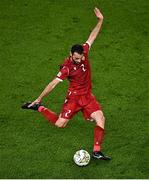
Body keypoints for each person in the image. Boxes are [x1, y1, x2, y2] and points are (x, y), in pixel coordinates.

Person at [22, 7, 111, 160]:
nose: (80, 60)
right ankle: (39, 107)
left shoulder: (83, 52)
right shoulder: (66, 68)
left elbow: (92, 36)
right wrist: (39, 98)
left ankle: (96, 151)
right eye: (76, 58)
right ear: (71, 55)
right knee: (59, 124)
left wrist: (101, 20)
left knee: (101, 118)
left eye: (81, 57)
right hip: (74, 98)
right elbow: (53, 84)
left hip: (87, 96)